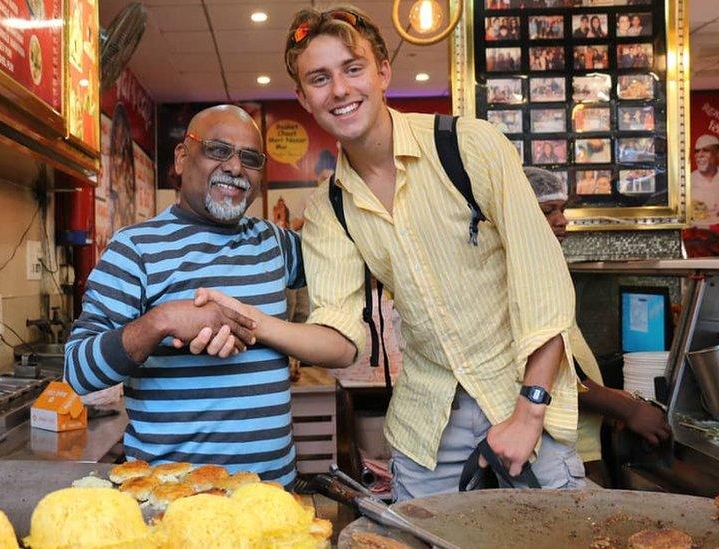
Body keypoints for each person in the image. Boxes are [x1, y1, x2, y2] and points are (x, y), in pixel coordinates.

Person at [284, 4, 584, 501]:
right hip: (425, 427)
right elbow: (340, 336)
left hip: (523, 401)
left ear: (382, 71)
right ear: (302, 97)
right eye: (319, 78)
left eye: (352, 69)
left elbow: (546, 287)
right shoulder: (328, 207)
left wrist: (529, 411)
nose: (339, 89)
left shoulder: (468, 147)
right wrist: (249, 322)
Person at [63, 105, 354, 486]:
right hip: (170, 498)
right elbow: (77, 373)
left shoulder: (276, 243)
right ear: (182, 158)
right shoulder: (135, 248)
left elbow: (346, 263)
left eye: (250, 159)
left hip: (269, 494)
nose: (235, 167)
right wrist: (160, 321)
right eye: (218, 150)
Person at [523, 167, 671, 480]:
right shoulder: (524, 278)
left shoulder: (547, 270)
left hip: (581, 439)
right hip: (556, 447)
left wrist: (613, 400)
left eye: (563, 210)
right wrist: (627, 410)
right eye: (548, 211)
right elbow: (551, 374)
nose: (561, 220)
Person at [691, 134, 719, 225]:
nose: (699, 155)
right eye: (697, 151)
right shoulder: (688, 181)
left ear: (717, 153)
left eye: (706, 150)